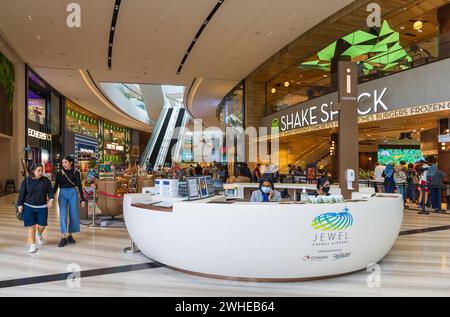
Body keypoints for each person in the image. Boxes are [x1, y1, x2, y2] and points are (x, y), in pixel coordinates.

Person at [17, 164, 54, 253]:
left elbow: (50, 191)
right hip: (28, 206)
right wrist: (20, 205)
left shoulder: (46, 180)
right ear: (33, 171)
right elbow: (22, 193)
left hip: (42, 206)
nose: (41, 172)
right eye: (39, 170)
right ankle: (33, 245)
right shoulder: (26, 181)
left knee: (43, 225)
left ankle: (39, 234)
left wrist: (51, 200)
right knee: (31, 226)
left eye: (42, 170)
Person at [54, 156, 86, 247]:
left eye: (66, 162)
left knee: (73, 214)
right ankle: (63, 236)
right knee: (63, 215)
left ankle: (70, 235)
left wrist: (83, 199)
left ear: (71, 162)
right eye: (63, 163)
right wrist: (51, 196)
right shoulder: (59, 173)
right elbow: (56, 186)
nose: (64, 164)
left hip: (73, 193)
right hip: (62, 193)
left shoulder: (76, 172)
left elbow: (79, 186)